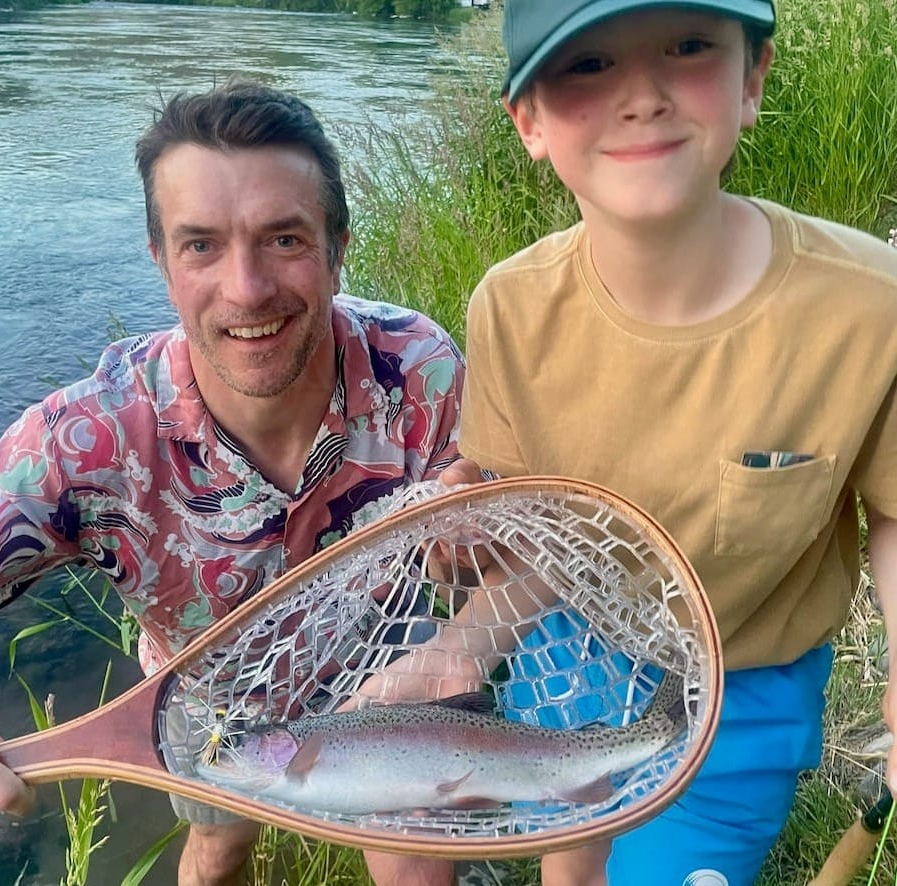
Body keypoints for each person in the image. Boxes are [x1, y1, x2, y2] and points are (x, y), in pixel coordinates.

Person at [371, 0, 897, 884]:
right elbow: (543, 529)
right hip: (563, 653)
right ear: (529, 122)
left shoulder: (870, 307)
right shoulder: (510, 304)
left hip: (743, 691)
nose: (643, 95)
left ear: (754, 77)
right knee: (568, 859)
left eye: (689, 47)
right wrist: (456, 647)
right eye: (586, 65)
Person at [0, 80, 464, 886]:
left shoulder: (418, 368)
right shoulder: (86, 444)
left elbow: (488, 536)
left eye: (285, 238)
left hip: (382, 674)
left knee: (417, 865)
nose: (247, 289)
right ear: (160, 261)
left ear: (339, 244)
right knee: (217, 852)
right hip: (207, 703)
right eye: (201, 245)